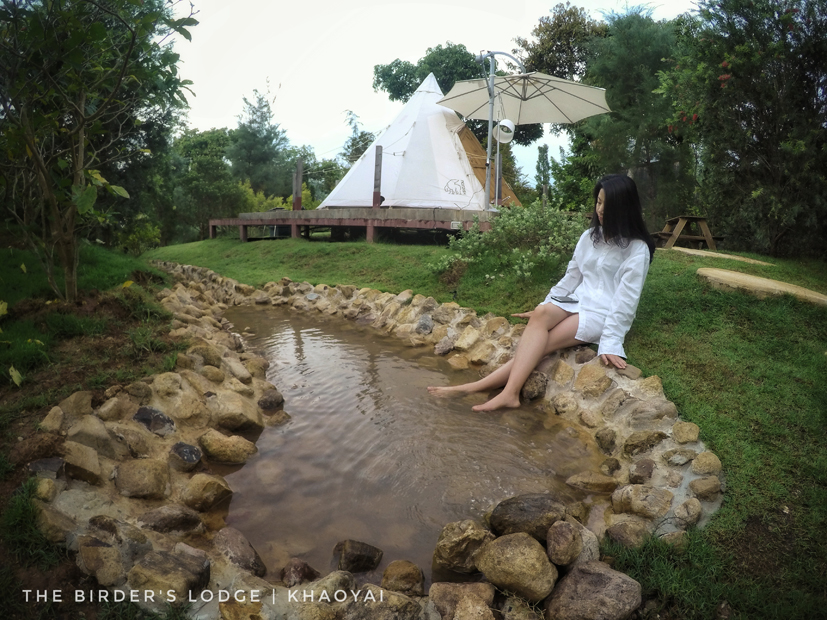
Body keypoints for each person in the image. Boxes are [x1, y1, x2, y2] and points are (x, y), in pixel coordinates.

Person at [427, 174, 655, 412]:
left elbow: (626, 300)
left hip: (601, 313)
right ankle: (492, 391)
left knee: (543, 344)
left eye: (607, 205)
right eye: (598, 202)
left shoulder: (637, 249)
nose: (600, 210)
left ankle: (491, 390)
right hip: (577, 301)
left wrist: (610, 342)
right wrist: (548, 305)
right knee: (541, 314)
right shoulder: (589, 238)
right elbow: (571, 277)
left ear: (623, 209)